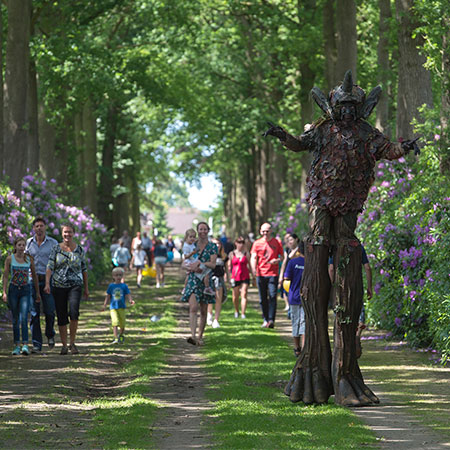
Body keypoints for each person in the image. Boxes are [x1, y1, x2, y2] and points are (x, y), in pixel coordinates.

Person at [264, 70, 418, 406]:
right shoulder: (321, 131)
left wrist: (405, 146)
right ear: (333, 107)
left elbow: (387, 148)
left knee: (346, 242)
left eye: (352, 107)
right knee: (318, 242)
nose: (347, 112)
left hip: (349, 200)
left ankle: (346, 372)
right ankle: (312, 366)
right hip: (322, 199)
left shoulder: (365, 133)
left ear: (359, 109)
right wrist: (282, 135)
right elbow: (298, 144)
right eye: (342, 106)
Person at [45, 223, 89, 355]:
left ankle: (72, 343)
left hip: (75, 285)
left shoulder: (79, 250)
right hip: (58, 285)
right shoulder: (56, 249)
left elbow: (84, 269)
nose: (67, 235)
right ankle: (64, 345)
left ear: (73, 233)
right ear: (62, 233)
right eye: (65, 232)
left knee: (74, 312)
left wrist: (86, 288)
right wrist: (47, 283)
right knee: (61, 315)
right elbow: (49, 267)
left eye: (69, 232)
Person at [329, 244, 372, 358]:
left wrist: (333, 285)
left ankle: (343, 346)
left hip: (340, 288)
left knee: (341, 316)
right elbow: (367, 267)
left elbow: (331, 269)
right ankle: (357, 334)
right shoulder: (359, 247)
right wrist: (369, 287)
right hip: (356, 287)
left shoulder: (336, 248)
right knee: (359, 313)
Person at [181, 221, 217, 346]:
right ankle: (193, 336)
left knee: (203, 310)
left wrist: (201, 263)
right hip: (192, 278)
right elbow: (183, 263)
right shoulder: (191, 244)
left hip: (205, 278)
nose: (202, 231)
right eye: (200, 229)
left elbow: (213, 264)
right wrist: (191, 267)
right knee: (193, 307)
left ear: (208, 231)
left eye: (205, 229)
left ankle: (200, 336)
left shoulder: (212, 246)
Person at [2, 237, 40, 355]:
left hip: (25, 289)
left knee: (24, 318)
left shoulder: (29, 259)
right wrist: (4, 292)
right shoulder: (10, 259)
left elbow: (34, 276)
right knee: (15, 319)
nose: (21, 247)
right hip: (13, 289)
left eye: (23, 245)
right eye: (19, 245)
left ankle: (25, 345)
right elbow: (6, 276)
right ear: (15, 246)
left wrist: (38, 292)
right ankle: (16, 345)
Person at [26, 217, 58, 353]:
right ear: (33, 228)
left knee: (50, 310)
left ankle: (50, 334)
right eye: (36, 226)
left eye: (41, 226)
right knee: (34, 313)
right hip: (32, 280)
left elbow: (57, 261)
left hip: (48, 280)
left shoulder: (53, 243)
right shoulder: (28, 243)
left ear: (45, 227)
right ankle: (36, 344)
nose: (39, 228)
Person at [250, 223, 284, 328]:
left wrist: (277, 260)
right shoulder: (257, 243)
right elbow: (253, 257)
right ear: (260, 231)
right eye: (263, 231)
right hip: (261, 274)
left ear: (271, 231)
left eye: (267, 231)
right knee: (262, 298)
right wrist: (253, 271)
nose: (265, 233)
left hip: (273, 273)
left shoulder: (277, 242)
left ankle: (271, 320)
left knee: (273, 296)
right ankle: (265, 319)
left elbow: (282, 257)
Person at [283, 242, 305, 358]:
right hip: (306, 298)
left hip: (294, 297)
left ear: (299, 251)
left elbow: (286, 278)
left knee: (295, 322)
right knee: (304, 323)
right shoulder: (311, 263)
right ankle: (305, 347)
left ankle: (297, 348)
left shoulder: (292, 263)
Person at [102, 267, 135, 344]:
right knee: (115, 322)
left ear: (122, 276)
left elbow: (128, 294)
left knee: (122, 324)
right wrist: (104, 305)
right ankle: (115, 338)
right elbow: (108, 296)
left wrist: (130, 300)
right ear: (113, 276)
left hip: (122, 307)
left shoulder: (124, 286)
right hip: (113, 308)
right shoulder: (111, 286)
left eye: (120, 275)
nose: (118, 277)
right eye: (116, 275)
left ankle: (121, 335)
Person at [182, 229, 214, 296]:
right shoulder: (186, 246)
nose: (192, 239)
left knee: (205, 273)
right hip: (190, 262)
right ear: (186, 237)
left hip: (195, 261)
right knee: (190, 275)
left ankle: (206, 287)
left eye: (194, 237)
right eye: (190, 237)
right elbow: (185, 256)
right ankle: (185, 288)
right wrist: (192, 253)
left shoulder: (192, 244)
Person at [207, 238, 230, 328]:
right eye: (214, 244)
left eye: (218, 244)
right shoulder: (208, 255)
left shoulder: (224, 256)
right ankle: (209, 314)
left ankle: (216, 319)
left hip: (219, 279)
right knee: (210, 298)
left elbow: (227, 270)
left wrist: (228, 280)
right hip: (209, 279)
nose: (217, 246)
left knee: (218, 299)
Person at [228, 236, 252, 319]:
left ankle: (243, 313)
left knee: (244, 293)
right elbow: (229, 266)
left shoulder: (246, 253)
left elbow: (250, 265)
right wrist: (228, 277)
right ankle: (236, 310)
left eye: (242, 243)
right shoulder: (232, 254)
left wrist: (253, 275)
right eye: (239, 242)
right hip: (235, 276)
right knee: (235, 296)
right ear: (236, 243)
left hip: (245, 275)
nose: (240, 244)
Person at [278, 233, 302, 314]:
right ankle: (288, 308)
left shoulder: (300, 250)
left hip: (297, 274)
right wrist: (281, 275)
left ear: (296, 239)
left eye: (291, 240)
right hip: (288, 274)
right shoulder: (287, 250)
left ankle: (291, 311)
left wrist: (296, 249)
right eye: (288, 240)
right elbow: (285, 262)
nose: (290, 242)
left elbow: (291, 257)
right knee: (286, 291)